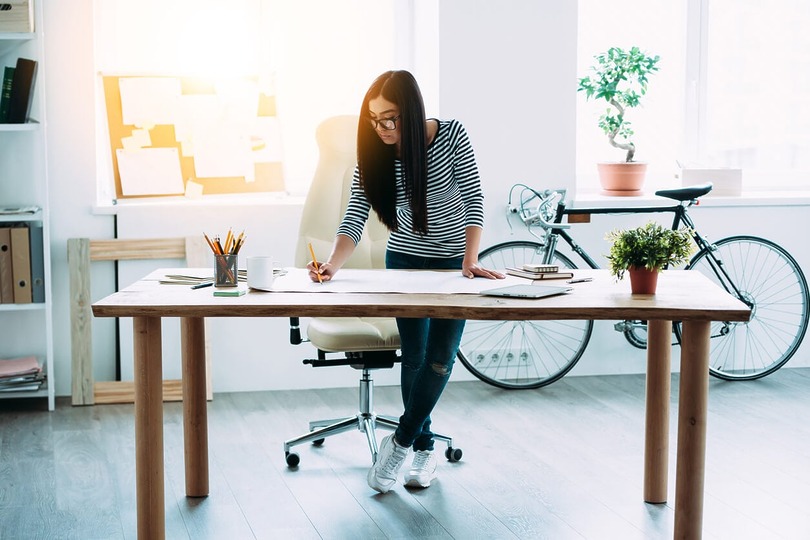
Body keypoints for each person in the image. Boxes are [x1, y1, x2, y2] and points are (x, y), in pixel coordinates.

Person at [306, 70, 504, 493]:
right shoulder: (375, 152)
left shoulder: (450, 137)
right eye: (375, 120)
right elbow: (355, 213)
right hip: (405, 263)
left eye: (390, 118)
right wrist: (331, 264)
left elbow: (473, 199)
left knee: (440, 358)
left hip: (453, 263)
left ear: (412, 113)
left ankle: (398, 442)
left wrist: (470, 259)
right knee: (414, 357)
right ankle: (423, 448)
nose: (382, 129)